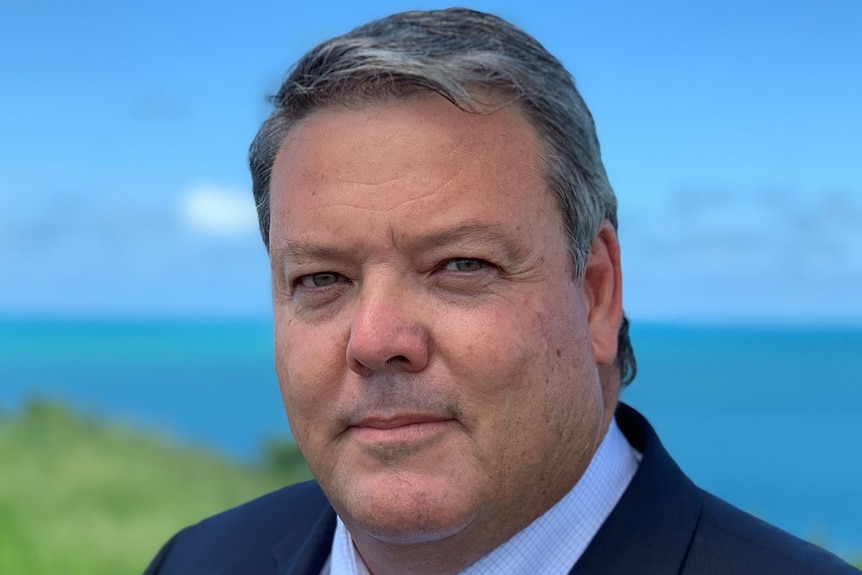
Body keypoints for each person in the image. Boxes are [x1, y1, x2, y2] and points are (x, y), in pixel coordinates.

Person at [144, 8, 858, 575]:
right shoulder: (198, 560)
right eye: (322, 278)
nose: (376, 339)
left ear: (596, 295)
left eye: (459, 265)